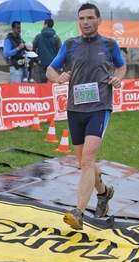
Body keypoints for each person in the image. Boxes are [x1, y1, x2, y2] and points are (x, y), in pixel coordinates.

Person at [46, 3, 127, 230]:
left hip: (100, 108)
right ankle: (104, 192)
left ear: (99, 20)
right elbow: (50, 70)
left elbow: (121, 66)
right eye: (82, 18)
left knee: (88, 159)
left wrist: (118, 79)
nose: (85, 22)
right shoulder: (70, 44)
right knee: (84, 164)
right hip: (75, 109)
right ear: (78, 21)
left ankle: (78, 212)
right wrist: (58, 77)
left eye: (90, 18)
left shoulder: (109, 44)